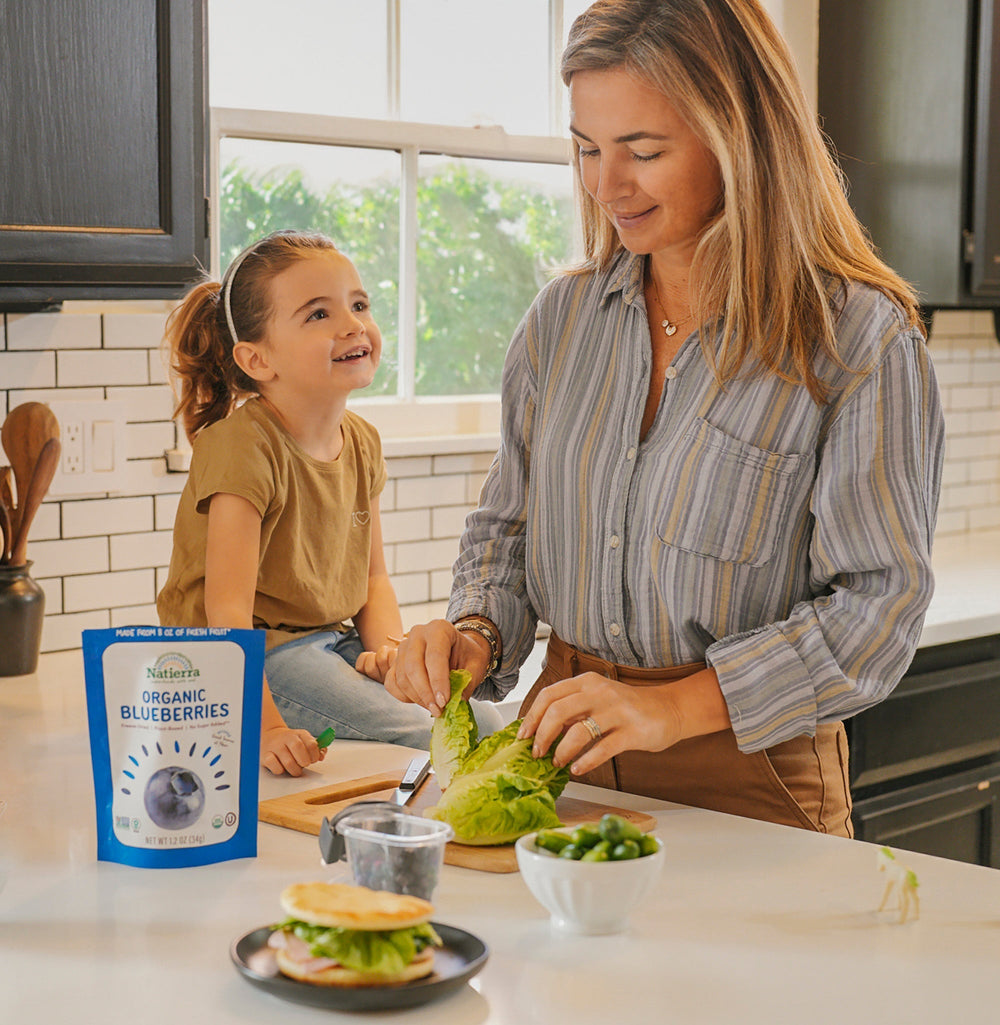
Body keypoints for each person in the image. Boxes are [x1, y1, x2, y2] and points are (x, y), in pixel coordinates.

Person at [385, 0, 945, 835]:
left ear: (739, 138)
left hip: (755, 782)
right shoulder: (560, 323)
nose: (607, 186)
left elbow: (876, 611)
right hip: (558, 762)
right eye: (586, 149)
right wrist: (472, 640)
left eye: (643, 151)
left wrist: (671, 708)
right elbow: (506, 534)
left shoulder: (857, 339)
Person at [157, 230, 440, 775]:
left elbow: (373, 581)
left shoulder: (362, 441)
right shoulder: (243, 446)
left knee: (454, 711)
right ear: (257, 359)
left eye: (359, 305)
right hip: (243, 658)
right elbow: (227, 611)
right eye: (318, 315)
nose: (353, 324)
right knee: (424, 730)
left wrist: (389, 659)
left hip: (327, 643)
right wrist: (265, 730)